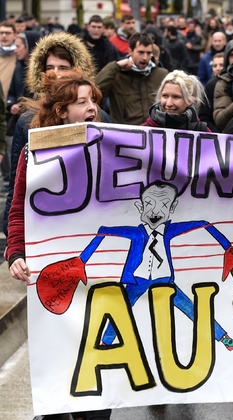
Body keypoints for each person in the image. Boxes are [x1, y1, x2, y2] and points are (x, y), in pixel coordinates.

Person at [6, 69, 112, 420]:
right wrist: (16, 253)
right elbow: (19, 208)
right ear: (62, 111)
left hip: (102, 277)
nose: (92, 107)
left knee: (101, 368)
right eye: (82, 102)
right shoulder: (33, 154)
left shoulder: (114, 149)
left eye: (93, 100)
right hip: (55, 278)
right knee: (58, 371)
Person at [4, 31, 109, 237]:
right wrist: (12, 233)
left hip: (88, 218)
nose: (57, 74)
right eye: (50, 68)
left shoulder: (99, 116)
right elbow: (17, 182)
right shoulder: (27, 120)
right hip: (44, 220)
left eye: (63, 68)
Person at [96, 32, 169, 125]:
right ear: (130, 51)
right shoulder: (117, 76)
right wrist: (115, 66)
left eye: (148, 53)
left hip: (155, 132)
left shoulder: (161, 74)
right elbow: (95, 91)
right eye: (141, 52)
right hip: (126, 134)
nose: (145, 58)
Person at [142, 70, 209, 131]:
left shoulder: (202, 132)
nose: (169, 104)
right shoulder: (144, 131)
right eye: (165, 96)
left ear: (189, 100)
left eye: (176, 97)